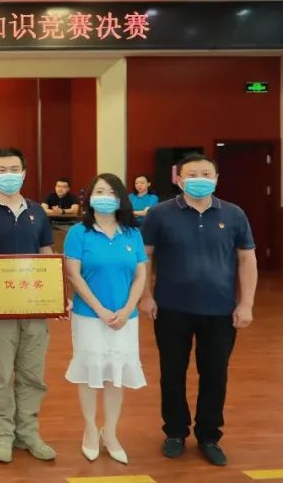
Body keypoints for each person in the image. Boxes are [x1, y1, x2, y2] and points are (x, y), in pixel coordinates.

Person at [140, 153, 257, 467]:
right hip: (171, 308)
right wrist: (146, 296)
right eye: (192, 174)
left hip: (220, 310)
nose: (199, 179)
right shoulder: (159, 214)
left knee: (215, 374)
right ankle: (175, 432)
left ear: (216, 179)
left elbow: (247, 259)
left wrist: (246, 303)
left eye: (206, 174)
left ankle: (209, 435)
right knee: (172, 373)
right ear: (179, 179)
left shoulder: (234, 214)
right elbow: (145, 257)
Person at [0, 148, 61, 464]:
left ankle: (28, 433)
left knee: (33, 375)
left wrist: (56, 295)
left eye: (14, 169)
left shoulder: (37, 212)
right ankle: (3, 434)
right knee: (1, 376)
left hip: (33, 308)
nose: (9, 174)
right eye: (2, 170)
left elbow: (46, 254)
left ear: (24, 173)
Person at [63, 173, 148, 465]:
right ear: (89, 198)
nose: (105, 197)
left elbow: (140, 277)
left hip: (125, 319)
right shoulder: (79, 233)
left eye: (111, 192)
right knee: (90, 373)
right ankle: (90, 429)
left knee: (115, 374)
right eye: (99, 191)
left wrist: (126, 310)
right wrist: (100, 309)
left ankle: (110, 432)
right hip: (89, 317)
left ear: (120, 198)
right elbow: (73, 275)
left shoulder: (132, 233)